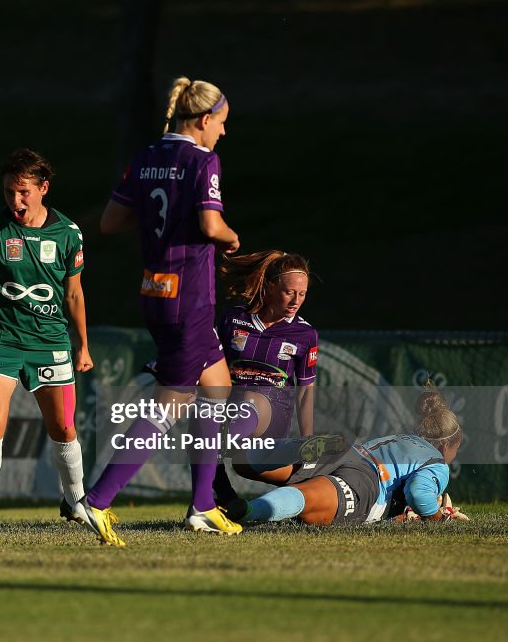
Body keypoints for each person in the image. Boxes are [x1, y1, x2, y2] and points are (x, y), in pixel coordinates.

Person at [76, 76, 242, 545]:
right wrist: (231, 238)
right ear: (205, 120)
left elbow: (111, 222)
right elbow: (211, 223)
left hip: (155, 289)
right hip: (188, 295)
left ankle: (203, 505)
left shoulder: (147, 156)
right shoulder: (203, 159)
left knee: (218, 385)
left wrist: (158, 226)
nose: (223, 133)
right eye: (222, 124)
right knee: (173, 401)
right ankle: (99, 499)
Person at [0, 149, 93, 538]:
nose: (15, 201)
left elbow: (73, 295)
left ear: (43, 188)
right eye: (9, 192)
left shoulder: (68, 233)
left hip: (49, 340)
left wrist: (83, 346)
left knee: (63, 427)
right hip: (0, 337)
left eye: (23, 192)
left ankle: (77, 501)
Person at [228, 384, 464, 525]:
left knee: (246, 464)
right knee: (305, 496)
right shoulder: (437, 461)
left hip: (350, 451)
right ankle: (245, 512)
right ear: (448, 445)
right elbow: (418, 493)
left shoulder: (405, 439)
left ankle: (265, 452)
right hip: (368, 482)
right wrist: (437, 518)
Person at [209, 250, 329, 507]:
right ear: (271, 286)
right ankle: (224, 498)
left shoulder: (305, 334)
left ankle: (217, 448)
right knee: (244, 465)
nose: (297, 300)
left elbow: (306, 390)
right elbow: (211, 363)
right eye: (290, 292)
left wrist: (307, 439)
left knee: (250, 400)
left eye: (303, 293)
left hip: (273, 409)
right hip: (230, 404)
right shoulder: (233, 318)